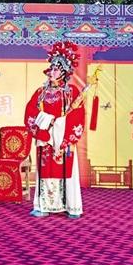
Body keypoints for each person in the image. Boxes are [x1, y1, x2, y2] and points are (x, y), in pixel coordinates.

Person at [24, 41, 85, 218]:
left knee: (65, 171)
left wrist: (60, 127)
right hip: (45, 139)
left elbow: (77, 116)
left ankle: (71, 206)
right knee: (45, 171)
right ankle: (43, 206)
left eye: (56, 69)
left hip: (63, 140)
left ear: (64, 72)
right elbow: (30, 112)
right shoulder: (40, 92)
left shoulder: (72, 92)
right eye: (51, 69)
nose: (52, 72)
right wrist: (46, 123)